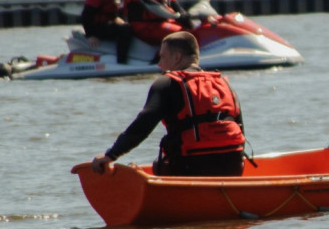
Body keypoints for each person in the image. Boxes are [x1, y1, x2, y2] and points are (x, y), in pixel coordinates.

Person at [91, 31, 247, 177]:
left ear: (177, 57)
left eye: (162, 57)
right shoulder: (223, 83)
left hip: (191, 168)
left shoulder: (167, 83)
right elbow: (240, 129)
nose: (159, 64)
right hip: (233, 167)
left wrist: (111, 155)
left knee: (157, 166)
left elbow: (143, 124)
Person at [80, 0, 133, 64]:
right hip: (96, 27)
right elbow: (86, 14)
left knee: (129, 26)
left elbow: (113, 13)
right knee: (125, 30)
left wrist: (119, 20)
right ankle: (122, 62)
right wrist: (90, 35)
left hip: (107, 24)